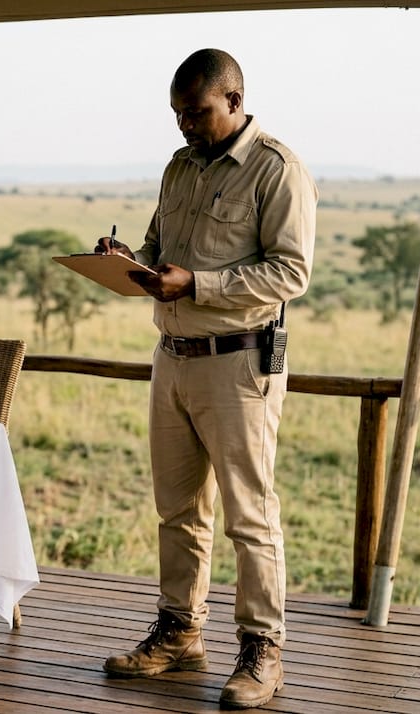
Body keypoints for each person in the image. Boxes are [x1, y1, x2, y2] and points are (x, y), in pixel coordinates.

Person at [95, 48, 317, 709]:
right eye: (177, 114)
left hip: (239, 362)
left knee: (250, 517)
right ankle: (180, 633)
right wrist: (129, 263)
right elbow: (161, 252)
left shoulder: (276, 169)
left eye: (195, 112)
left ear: (234, 100)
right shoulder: (179, 166)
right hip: (174, 357)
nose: (185, 125)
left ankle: (262, 652)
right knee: (179, 511)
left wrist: (200, 283)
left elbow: (291, 272)